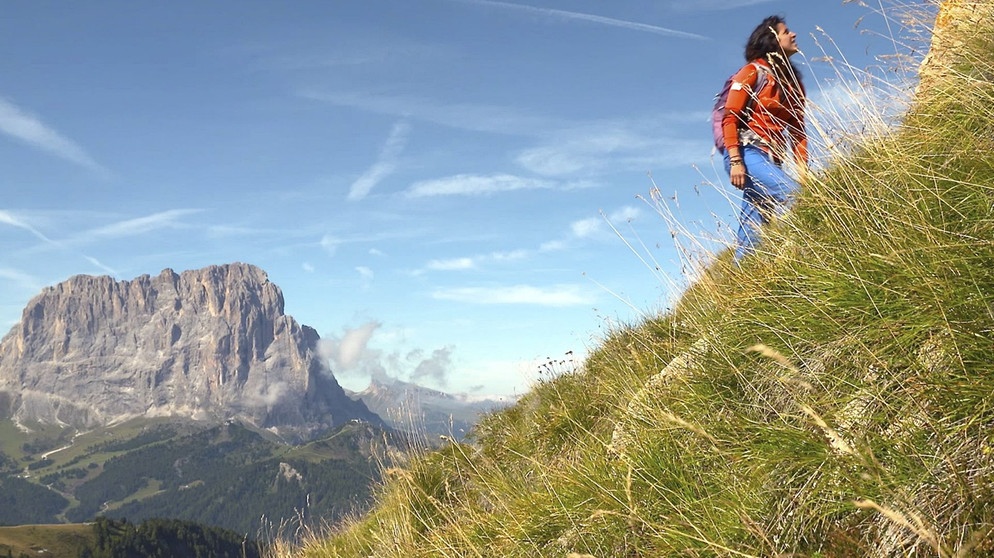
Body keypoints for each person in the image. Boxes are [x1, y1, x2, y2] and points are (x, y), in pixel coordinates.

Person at [722, 15, 807, 262]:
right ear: (772, 40)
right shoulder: (751, 73)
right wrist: (736, 161)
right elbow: (730, 118)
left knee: (754, 227)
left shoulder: (794, 84)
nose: (794, 35)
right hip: (747, 154)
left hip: (772, 161)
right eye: (786, 32)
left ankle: (739, 281)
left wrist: (803, 170)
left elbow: (797, 130)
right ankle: (813, 252)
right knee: (797, 197)